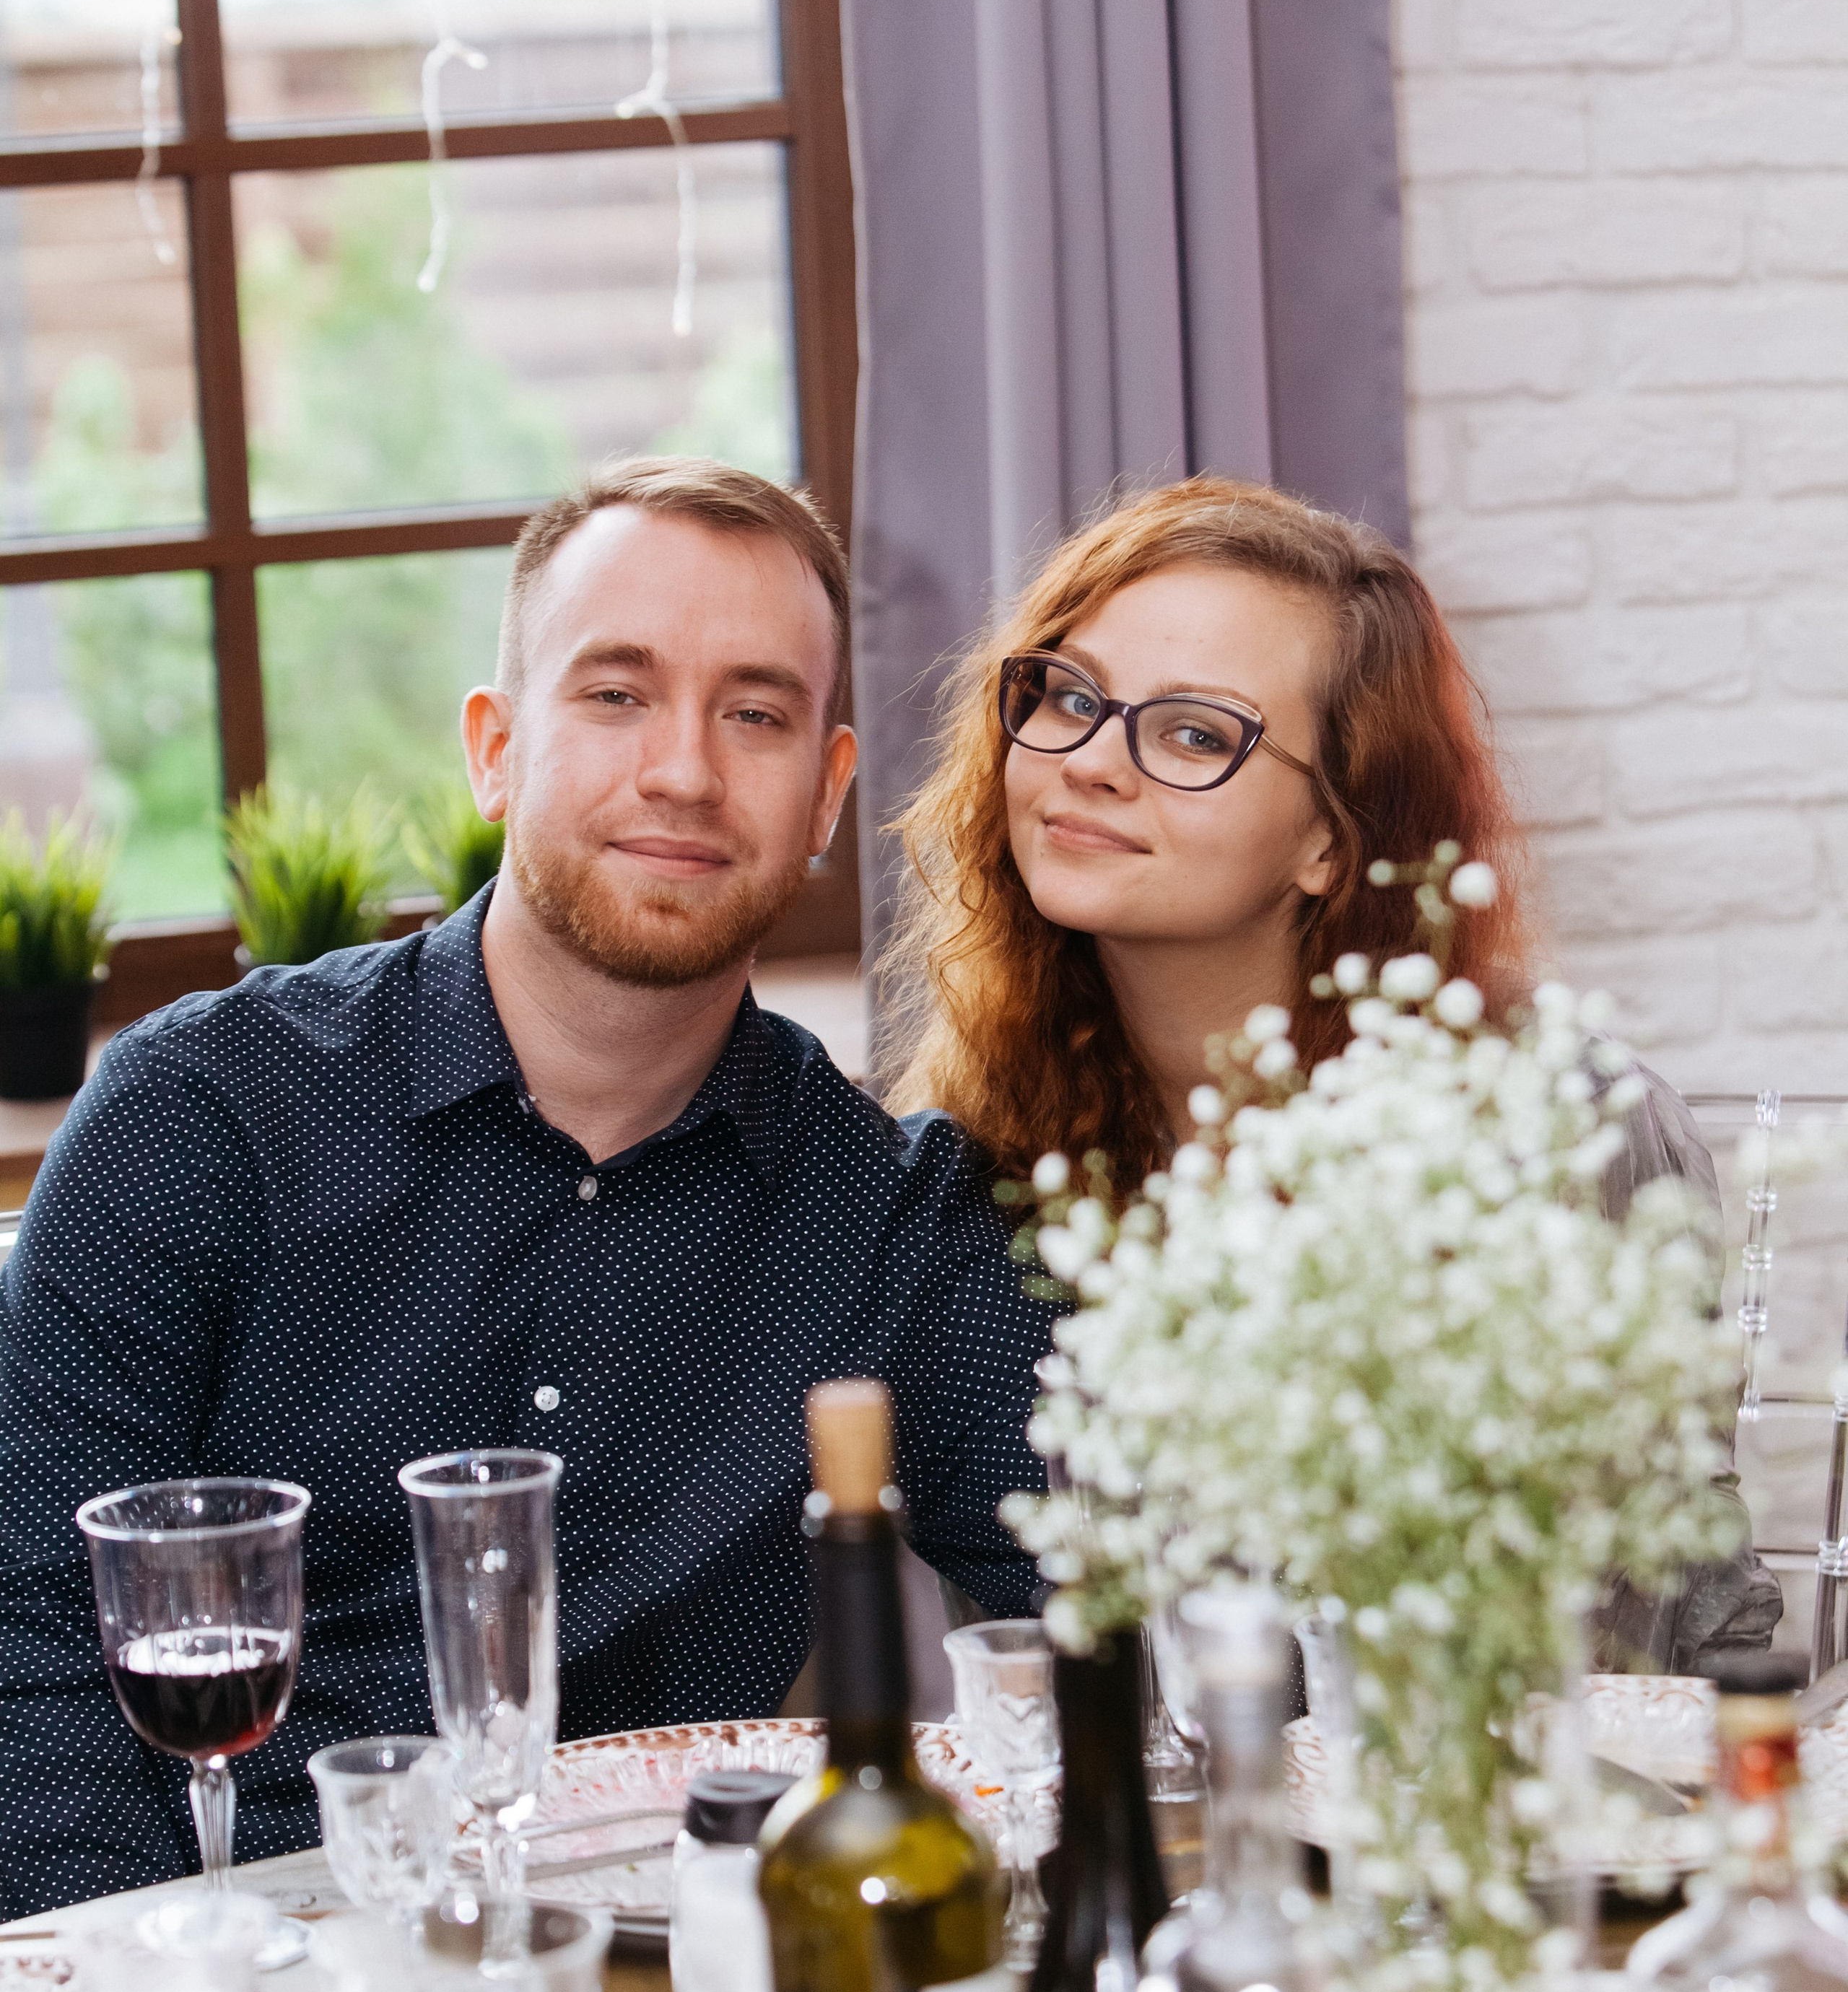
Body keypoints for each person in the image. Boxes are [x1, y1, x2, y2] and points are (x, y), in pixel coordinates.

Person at [0, 458, 1047, 1918]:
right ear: (496, 749)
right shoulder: (199, 1118)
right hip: (232, 1975)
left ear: (825, 791)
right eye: (614, 694)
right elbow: (32, 1656)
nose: (682, 769)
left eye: (753, 713)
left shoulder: (886, 1221)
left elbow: (1109, 1577)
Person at [887, 472, 1778, 1669]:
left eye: (1195, 732)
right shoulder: (966, 1164)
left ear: (1329, 839)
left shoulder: (1550, 1135)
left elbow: (1632, 1640)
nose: (1093, 763)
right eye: (1069, 695)